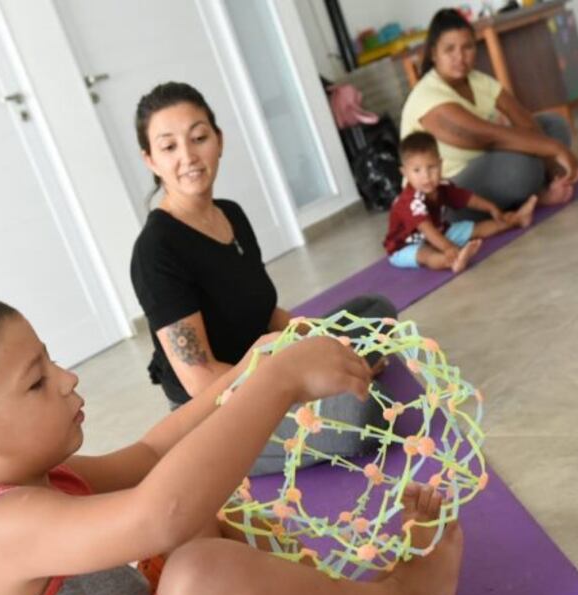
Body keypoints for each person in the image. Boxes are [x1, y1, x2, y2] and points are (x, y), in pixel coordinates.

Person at [0, 295, 464, 595]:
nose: (68, 379)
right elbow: (159, 513)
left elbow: (148, 458)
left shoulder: (27, 482)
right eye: (37, 381)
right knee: (201, 567)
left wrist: (245, 372)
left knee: (197, 522)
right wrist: (275, 385)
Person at [129, 81, 394, 474]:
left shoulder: (231, 214)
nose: (188, 156)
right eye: (169, 147)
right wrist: (303, 380)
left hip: (266, 363)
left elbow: (266, 314)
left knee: (376, 313)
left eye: (199, 137)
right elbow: (200, 381)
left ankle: (341, 374)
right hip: (218, 411)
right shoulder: (156, 251)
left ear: (219, 141)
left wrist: (328, 343)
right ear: (151, 160)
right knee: (364, 412)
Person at [401, 8, 578, 223]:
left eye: (467, 47)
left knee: (553, 125)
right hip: (442, 194)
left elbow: (523, 119)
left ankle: (530, 190)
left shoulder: (479, 80)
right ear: (433, 54)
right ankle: (533, 193)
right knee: (523, 166)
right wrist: (555, 150)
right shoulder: (427, 95)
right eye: (449, 49)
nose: (460, 57)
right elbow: (489, 137)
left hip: (485, 165)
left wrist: (552, 166)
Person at [384, 131, 536, 271]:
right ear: (405, 173)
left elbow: (468, 199)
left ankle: (517, 219)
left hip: (439, 231)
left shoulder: (442, 186)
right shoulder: (410, 201)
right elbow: (427, 230)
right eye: (417, 171)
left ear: (440, 164)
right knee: (426, 254)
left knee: (476, 228)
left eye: (431, 167)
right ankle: (452, 262)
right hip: (404, 246)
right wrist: (449, 247)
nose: (426, 176)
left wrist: (491, 207)